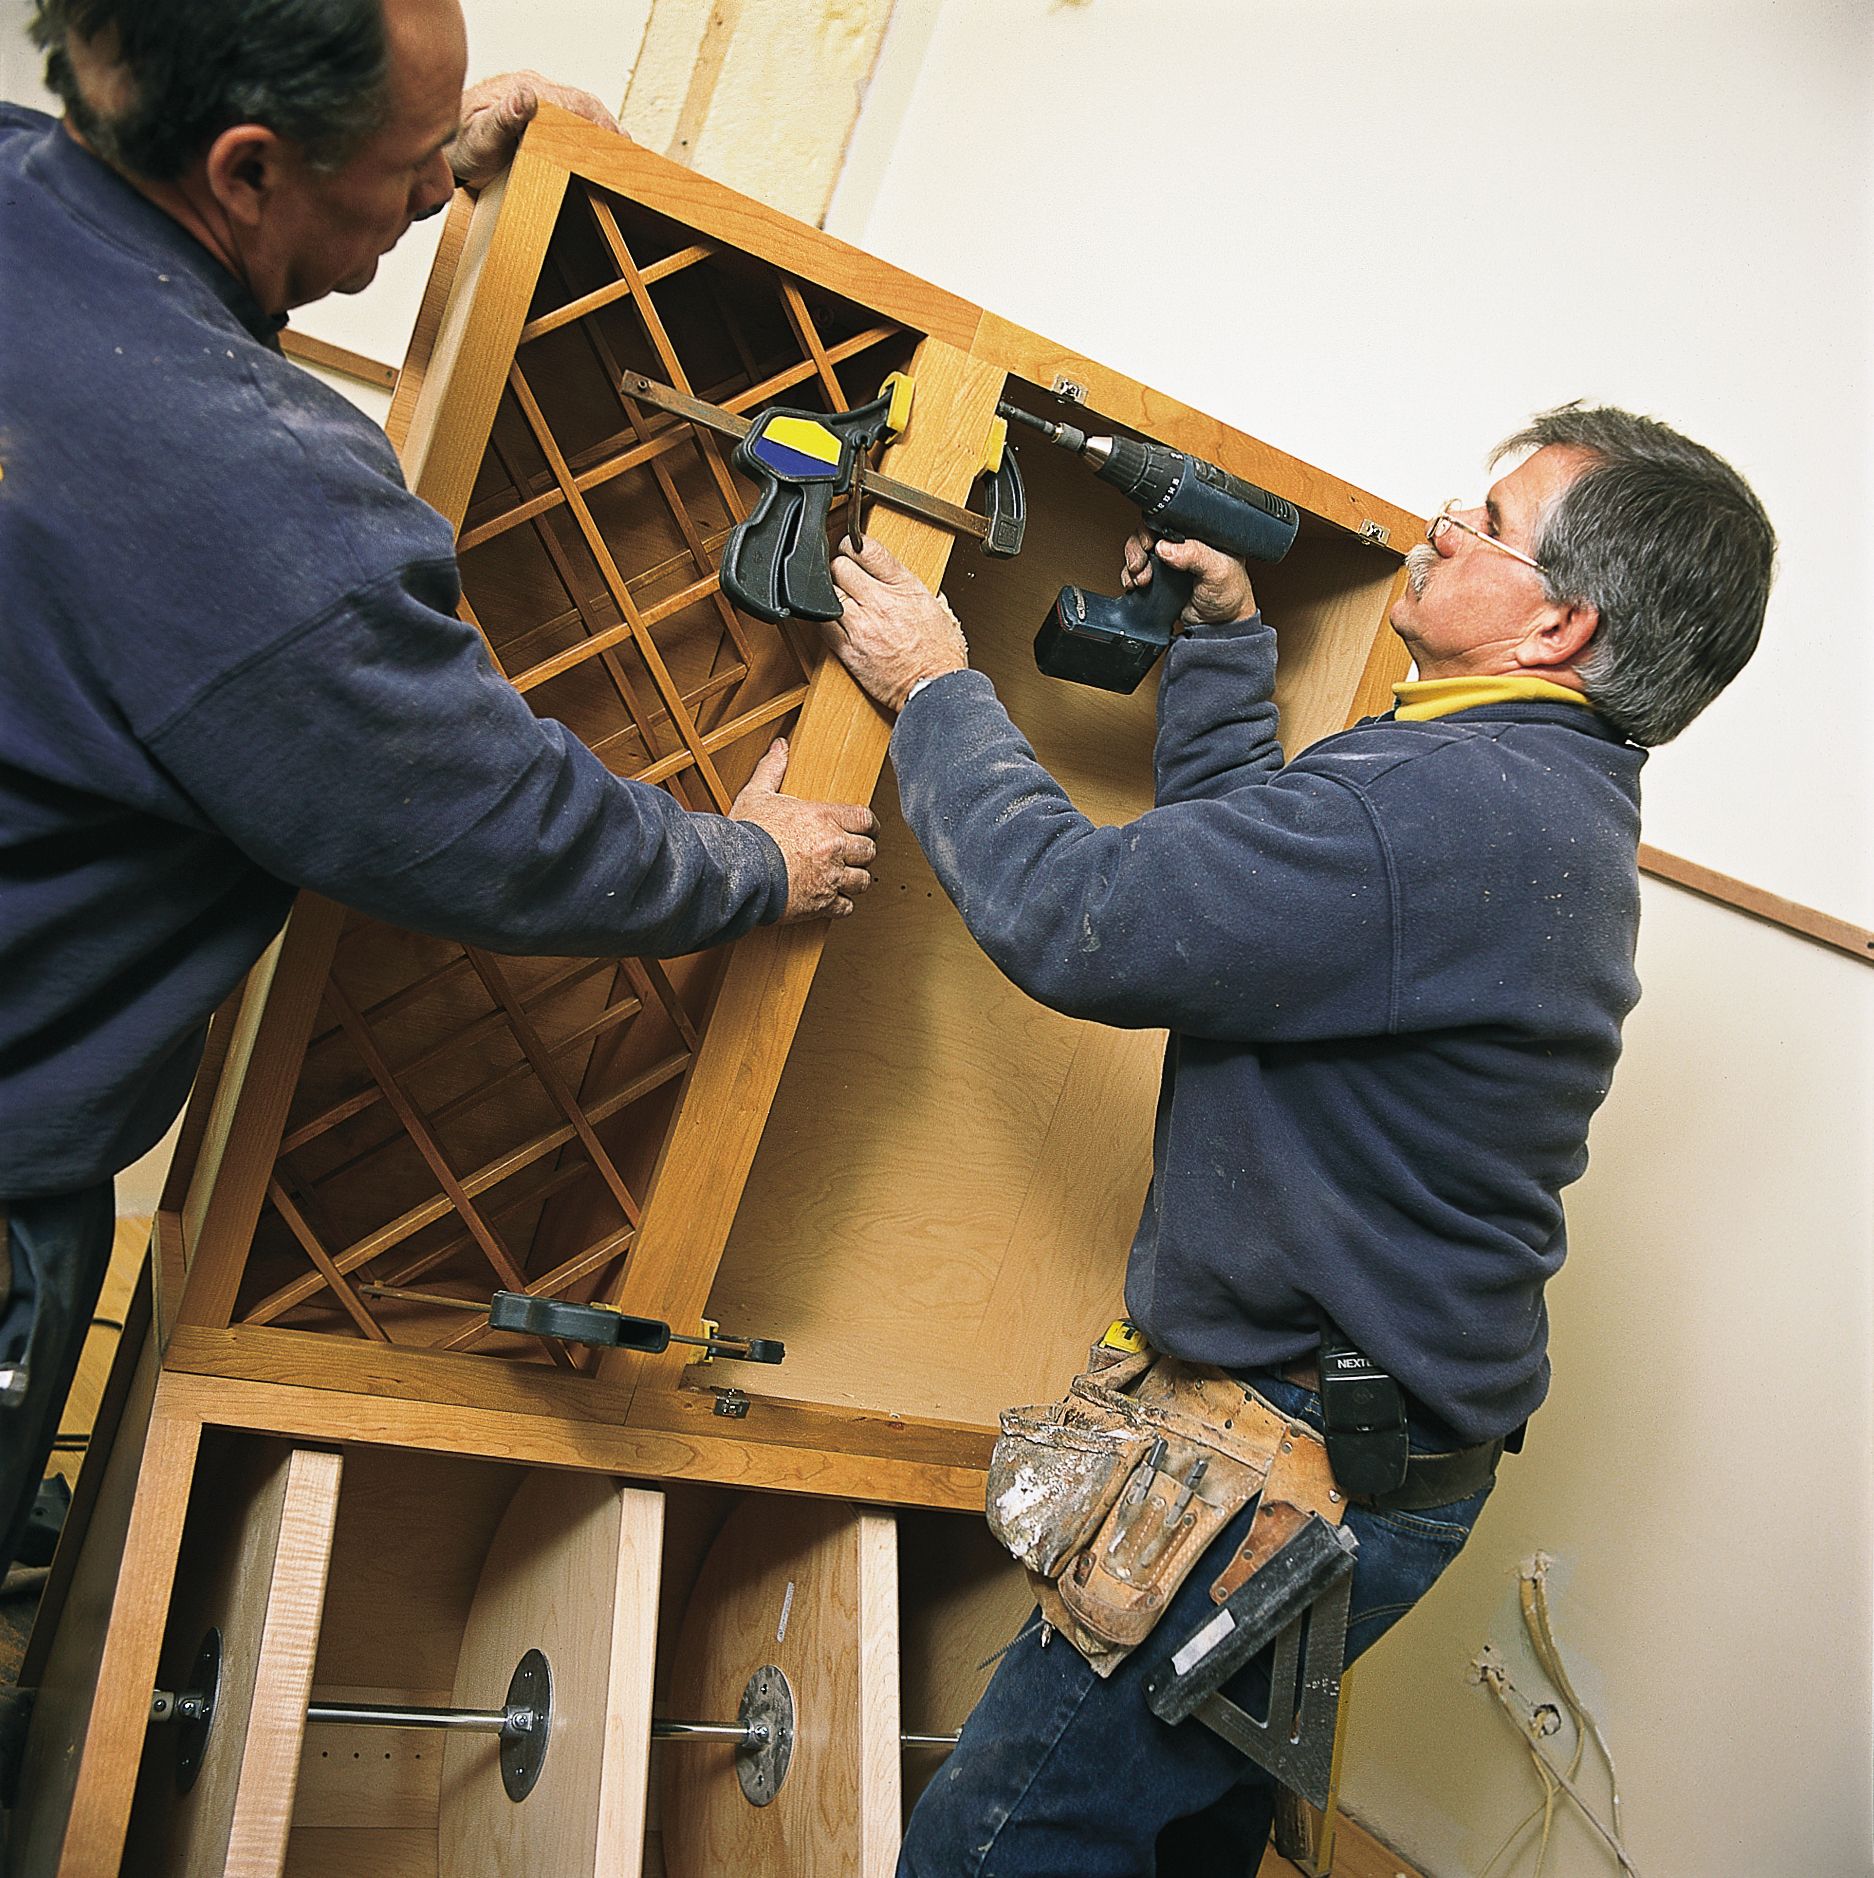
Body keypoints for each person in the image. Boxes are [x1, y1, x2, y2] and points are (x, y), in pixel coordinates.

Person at [0, 0, 879, 1591]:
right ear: (248, 165)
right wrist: (750, 858)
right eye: (412, 160)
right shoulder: (250, 489)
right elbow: (485, 821)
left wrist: (433, 145)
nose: (429, 189)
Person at [824, 405, 1774, 1875]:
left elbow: (1090, 922)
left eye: (1488, 524)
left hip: (1290, 1467)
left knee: (1001, 1844)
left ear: (1557, 622)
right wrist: (1219, 639)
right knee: (1173, 1845)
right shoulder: (1518, 781)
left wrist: (937, 689)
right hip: (1356, 1457)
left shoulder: (1457, 802)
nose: (1439, 524)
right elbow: (1253, 908)